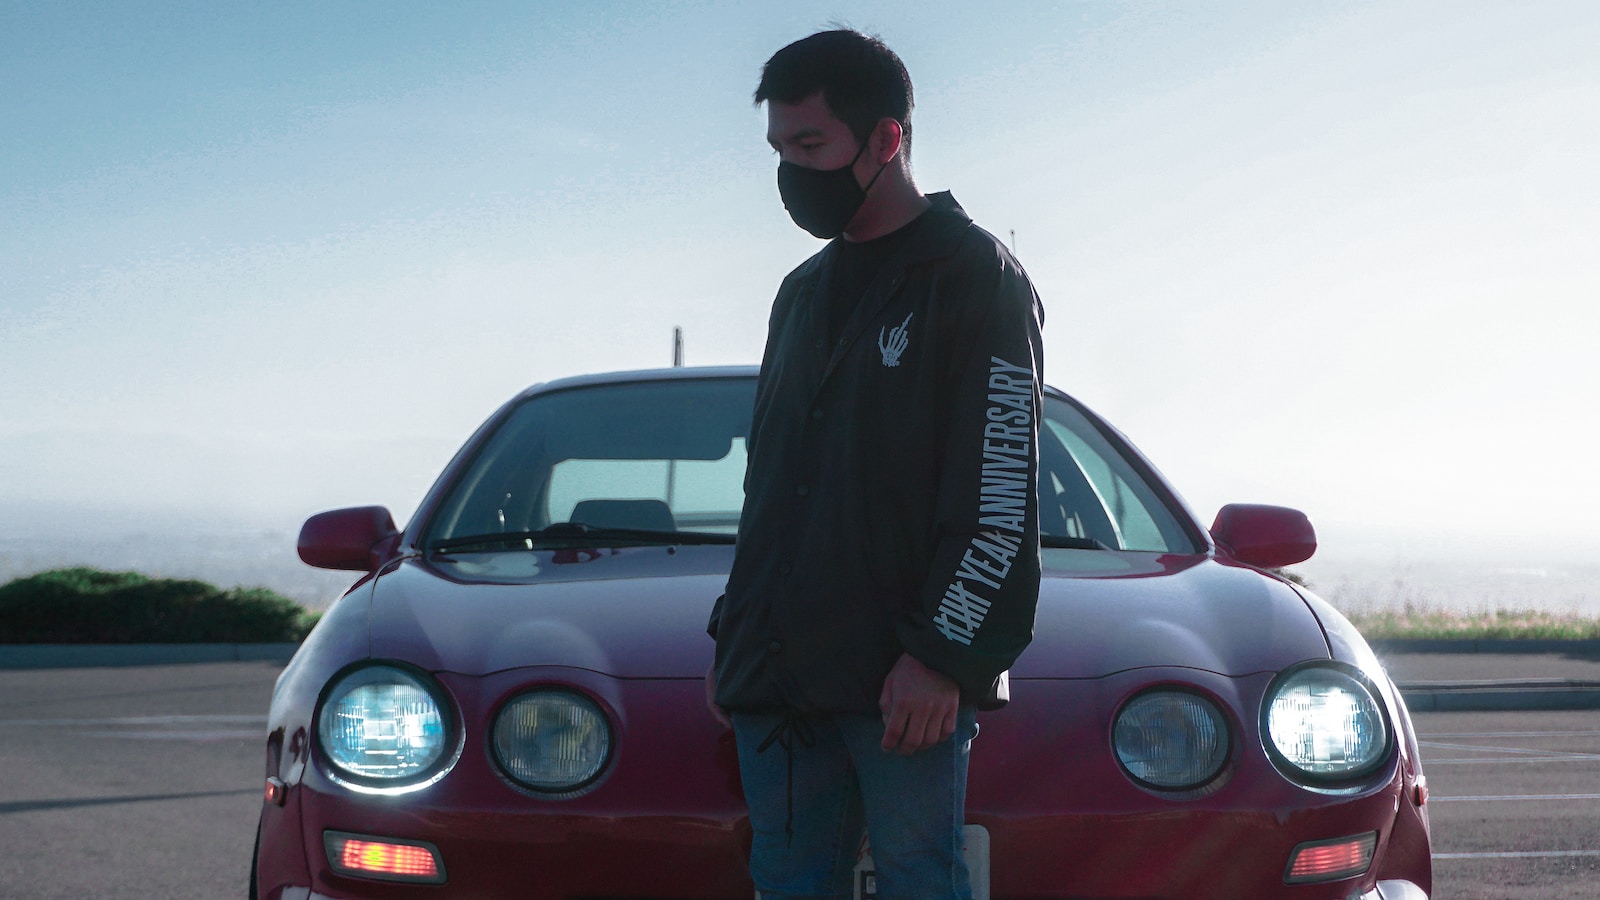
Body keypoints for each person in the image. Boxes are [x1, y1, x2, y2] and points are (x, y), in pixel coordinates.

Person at [705, 28, 1044, 900]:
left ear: (887, 139)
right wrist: (736, 635)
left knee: (920, 883)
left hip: (903, 690)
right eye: (779, 150)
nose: (790, 172)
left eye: (810, 145)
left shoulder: (975, 277)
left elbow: (999, 489)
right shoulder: (800, 293)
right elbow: (773, 487)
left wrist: (942, 656)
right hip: (775, 683)